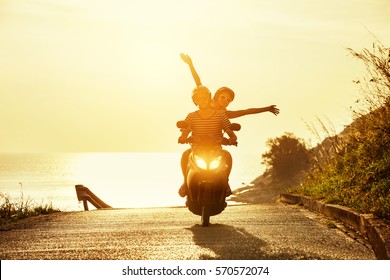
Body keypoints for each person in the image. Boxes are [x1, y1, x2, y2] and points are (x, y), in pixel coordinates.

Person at [178, 85, 237, 197]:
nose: (202, 101)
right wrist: (182, 137)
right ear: (195, 101)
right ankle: (185, 182)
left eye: (204, 98)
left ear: (209, 98)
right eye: (198, 99)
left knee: (227, 156)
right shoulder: (191, 116)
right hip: (196, 149)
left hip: (216, 149)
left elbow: (228, 129)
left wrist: (232, 138)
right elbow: (185, 130)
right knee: (185, 155)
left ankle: (226, 183)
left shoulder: (220, 115)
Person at [180, 53, 280, 118]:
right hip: (199, 136)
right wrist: (190, 64)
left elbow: (246, 111)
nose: (225, 100)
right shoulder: (206, 101)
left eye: (228, 100)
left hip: (215, 142)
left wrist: (267, 108)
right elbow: (198, 82)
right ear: (216, 96)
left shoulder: (225, 114)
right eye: (223, 97)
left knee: (224, 152)